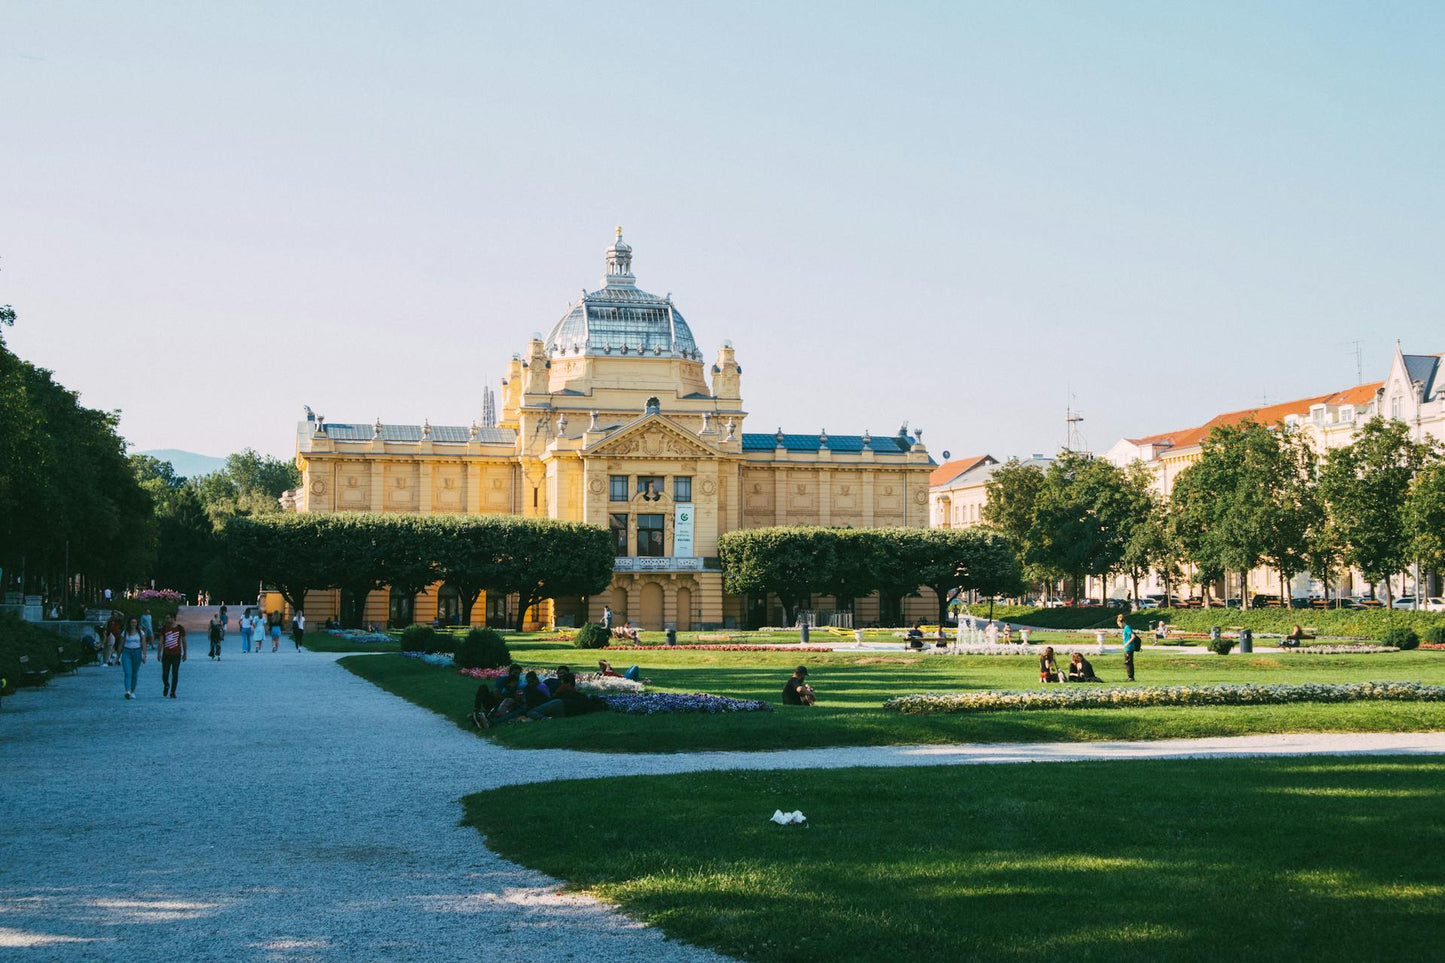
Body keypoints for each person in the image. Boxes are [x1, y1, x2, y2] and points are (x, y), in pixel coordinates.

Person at [158, 615, 187, 698]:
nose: (166, 619)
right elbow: (160, 641)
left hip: (176, 654)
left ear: (173, 618)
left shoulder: (180, 628)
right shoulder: (164, 629)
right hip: (166, 654)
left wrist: (185, 653)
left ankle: (173, 691)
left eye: (168, 618)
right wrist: (159, 653)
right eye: (166, 618)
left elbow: (184, 641)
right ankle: (166, 684)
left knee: (175, 673)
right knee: (165, 673)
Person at [120, 616, 147, 699]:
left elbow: (143, 644)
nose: (133, 624)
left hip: (137, 652)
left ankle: (133, 691)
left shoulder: (140, 633)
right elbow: (121, 644)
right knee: (128, 672)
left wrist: (144, 655)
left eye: (135, 622)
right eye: (132, 622)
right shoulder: (124, 633)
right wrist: (118, 656)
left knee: (134, 673)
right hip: (126, 652)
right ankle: (127, 691)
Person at [1119, 615, 1140, 682]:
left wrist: (1126, 644)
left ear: (1121, 622)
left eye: (1119, 624)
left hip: (1129, 648)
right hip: (1127, 648)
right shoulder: (1125, 628)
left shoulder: (1127, 627)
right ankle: (1130, 677)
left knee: (1128, 662)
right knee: (1127, 662)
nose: (1119, 626)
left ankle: (1131, 677)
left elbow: (1133, 636)